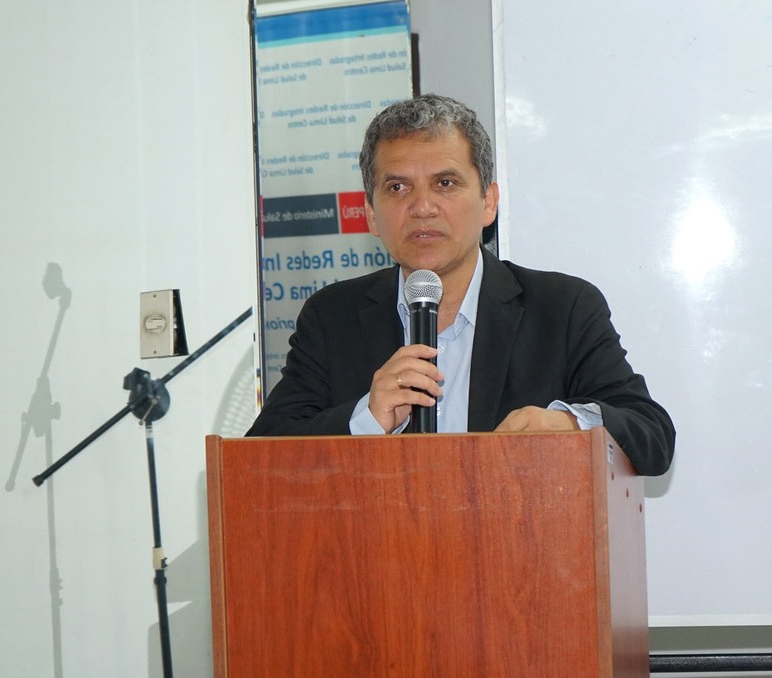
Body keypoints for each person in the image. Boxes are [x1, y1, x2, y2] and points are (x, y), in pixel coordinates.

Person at [247, 94, 675, 476]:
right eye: (397, 187)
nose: (422, 207)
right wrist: (367, 418)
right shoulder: (333, 316)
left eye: (445, 183)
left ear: (488, 202)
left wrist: (566, 423)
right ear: (372, 215)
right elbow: (257, 459)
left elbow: (652, 436)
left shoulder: (561, 308)